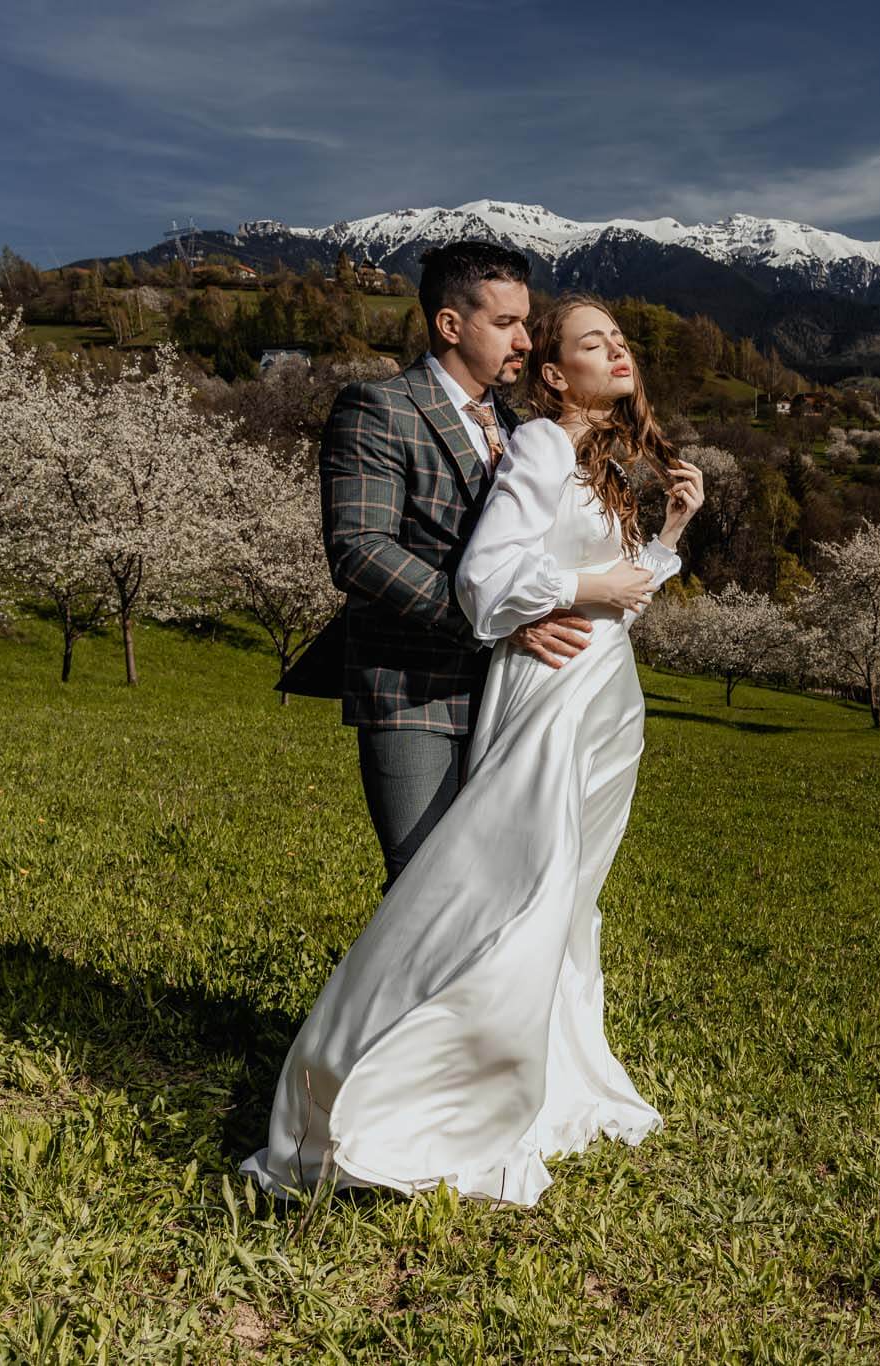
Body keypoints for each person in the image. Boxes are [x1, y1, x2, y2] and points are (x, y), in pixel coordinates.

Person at [241, 293, 705, 1205]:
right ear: (552, 372)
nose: (615, 352)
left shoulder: (605, 461)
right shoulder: (539, 443)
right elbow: (488, 579)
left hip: (608, 701)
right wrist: (577, 583)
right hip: (552, 697)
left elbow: (620, 593)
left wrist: (671, 535)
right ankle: (418, 1092)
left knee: (569, 898)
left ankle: (543, 1073)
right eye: (590, 343)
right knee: (511, 887)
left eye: (619, 340)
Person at [314, 241, 595, 891]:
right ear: (449, 324)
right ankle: (392, 998)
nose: (525, 340)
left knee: (496, 886)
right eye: (506, 324)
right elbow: (359, 548)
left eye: (525, 322)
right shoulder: (379, 408)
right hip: (411, 688)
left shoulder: (521, 426)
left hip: (511, 691)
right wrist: (493, 622)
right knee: (422, 890)